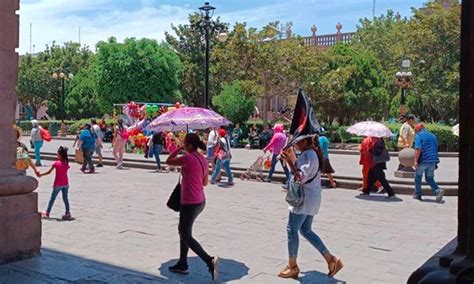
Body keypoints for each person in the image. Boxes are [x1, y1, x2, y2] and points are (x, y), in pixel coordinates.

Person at [278, 136, 343, 279]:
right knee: (305, 230)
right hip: (312, 196)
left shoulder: (309, 154)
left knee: (292, 229)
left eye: (299, 141)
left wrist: (288, 160)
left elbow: (299, 177)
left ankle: (292, 266)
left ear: (307, 141)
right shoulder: (312, 153)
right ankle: (331, 259)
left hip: (304, 199)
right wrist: (291, 158)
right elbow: (300, 171)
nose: (296, 143)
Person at [165, 133, 219, 281]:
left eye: (184, 143)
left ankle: (209, 261)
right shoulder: (202, 158)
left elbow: (168, 161)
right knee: (184, 231)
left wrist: (178, 149)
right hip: (200, 201)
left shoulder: (187, 158)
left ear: (188, 145)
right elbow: (204, 183)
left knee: (185, 233)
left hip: (189, 201)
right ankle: (182, 264)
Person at [37, 146, 72, 220]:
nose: (57, 156)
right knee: (65, 198)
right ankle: (68, 212)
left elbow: (49, 172)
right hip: (65, 183)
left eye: (57, 154)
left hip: (58, 184)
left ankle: (47, 212)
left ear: (60, 155)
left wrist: (41, 174)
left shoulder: (56, 163)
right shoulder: (66, 163)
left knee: (52, 198)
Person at [413, 124, 444, 202]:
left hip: (423, 160)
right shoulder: (433, 136)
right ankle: (437, 190)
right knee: (429, 178)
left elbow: (418, 149)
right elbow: (435, 147)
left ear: (417, 130)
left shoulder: (418, 136)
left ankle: (417, 194)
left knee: (418, 177)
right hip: (433, 160)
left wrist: (415, 160)